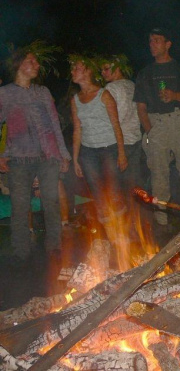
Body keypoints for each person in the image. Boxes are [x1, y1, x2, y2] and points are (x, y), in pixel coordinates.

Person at [0, 48, 70, 262]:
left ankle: (55, 248)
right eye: (32, 61)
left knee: (51, 203)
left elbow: (55, 124)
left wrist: (63, 154)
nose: (37, 65)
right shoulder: (5, 93)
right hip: (19, 159)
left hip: (47, 157)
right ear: (20, 64)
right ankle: (21, 253)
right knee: (20, 208)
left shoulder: (43, 92)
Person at [134, 27, 180, 227]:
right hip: (155, 123)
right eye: (150, 41)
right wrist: (150, 130)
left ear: (168, 44)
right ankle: (161, 219)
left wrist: (175, 96)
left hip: (179, 120)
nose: (152, 45)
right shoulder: (145, 73)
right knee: (158, 173)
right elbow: (140, 107)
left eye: (157, 40)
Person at [70, 55, 128, 243]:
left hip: (109, 149)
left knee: (113, 192)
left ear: (87, 71)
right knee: (98, 193)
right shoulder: (75, 100)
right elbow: (77, 130)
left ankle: (122, 231)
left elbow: (116, 125)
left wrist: (121, 153)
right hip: (88, 152)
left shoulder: (104, 95)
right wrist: (76, 158)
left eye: (76, 68)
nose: (72, 71)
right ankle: (112, 237)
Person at [100, 54, 142, 203]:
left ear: (118, 68)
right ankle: (133, 222)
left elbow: (111, 119)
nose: (103, 73)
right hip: (136, 141)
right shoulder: (132, 85)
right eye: (102, 70)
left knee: (114, 189)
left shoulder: (111, 88)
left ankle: (118, 221)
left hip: (118, 145)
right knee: (132, 187)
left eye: (106, 69)